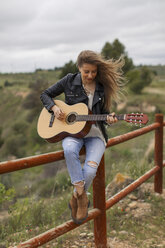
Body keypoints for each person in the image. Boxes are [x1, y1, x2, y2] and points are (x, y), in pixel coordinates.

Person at [40, 50, 125, 224]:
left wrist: (110, 119)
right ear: (79, 68)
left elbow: (104, 113)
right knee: (69, 149)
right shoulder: (69, 80)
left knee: (91, 170)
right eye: (86, 71)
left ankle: (76, 197)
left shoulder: (101, 86)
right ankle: (83, 199)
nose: (90, 75)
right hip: (72, 132)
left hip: (95, 134)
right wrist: (54, 109)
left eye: (93, 71)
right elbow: (45, 95)